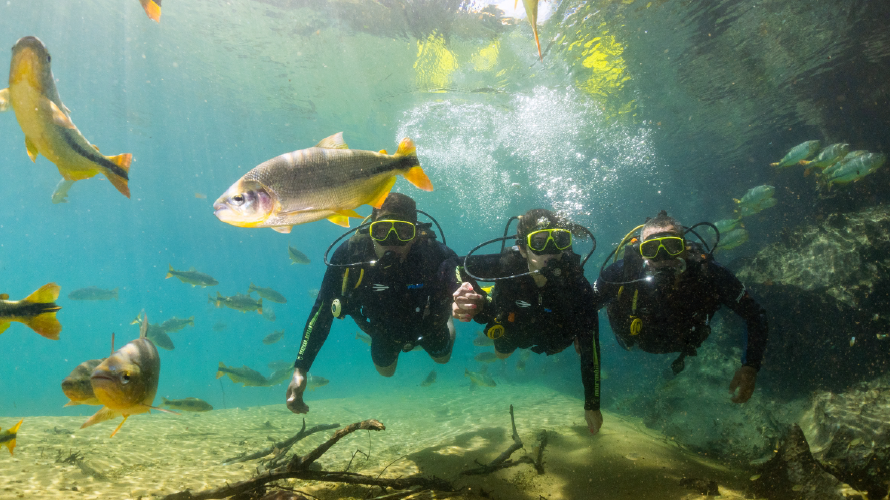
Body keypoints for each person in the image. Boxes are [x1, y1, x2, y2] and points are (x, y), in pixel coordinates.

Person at [286, 193, 459, 414]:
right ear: (371, 229)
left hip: (429, 322)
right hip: (383, 329)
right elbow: (322, 310)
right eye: (382, 231)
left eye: (404, 232)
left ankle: (449, 323)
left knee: (442, 358)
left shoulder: (433, 253)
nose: (392, 242)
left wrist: (459, 295)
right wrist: (300, 370)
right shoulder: (350, 255)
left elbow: (460, 276)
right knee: (385, 371)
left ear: (415, 234)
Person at [452, 209, 604, 435]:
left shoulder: (577, 285)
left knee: (578, 343)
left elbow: (592, 346)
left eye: (558, 241)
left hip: (556, 333)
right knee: (502, 353)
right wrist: (462, 291)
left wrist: (592, 404)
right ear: (522, 249)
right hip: (513, 325)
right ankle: (490, 295)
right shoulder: (507, 265)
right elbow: (457, 266)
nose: (550, 252)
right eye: (539, 243)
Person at [593, 210, 768, 403]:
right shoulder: (622, 274)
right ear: (641, 253)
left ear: (685, 247)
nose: (663, 258)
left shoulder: (709, 274)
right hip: (632, 342)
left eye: (672, 246)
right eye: (652, 249)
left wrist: (750, 365)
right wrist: (580, 331)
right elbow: (586, 306)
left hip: (684, 341)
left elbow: (755, 313)